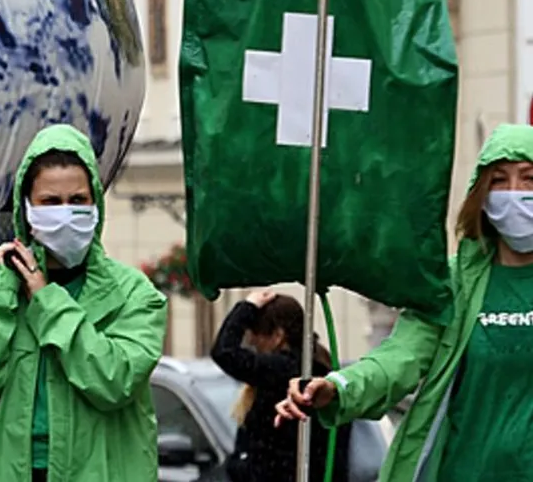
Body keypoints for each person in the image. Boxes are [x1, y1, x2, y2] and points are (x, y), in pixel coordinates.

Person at [276, 123, 533, 481]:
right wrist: (339, 387)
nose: (514, 192)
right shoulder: (453, 283)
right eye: (499, 181)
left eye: (528, 178)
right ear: (482, 195)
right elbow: (399, 358)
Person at [0, 123, 168, 481]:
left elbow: (115, 381)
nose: (65, 212)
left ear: (95, 204)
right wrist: (0, 291)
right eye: (50, 202)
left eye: (77, 200)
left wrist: (47, 300)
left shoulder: (133, 294)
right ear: (26, 209)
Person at [211, 289, 349, 482]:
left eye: (256, 337)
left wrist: (247, 307)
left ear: (278, 335)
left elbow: (224, 352)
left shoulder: (283, 369)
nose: (253, 345)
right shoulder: (321, 369)